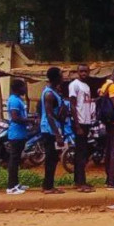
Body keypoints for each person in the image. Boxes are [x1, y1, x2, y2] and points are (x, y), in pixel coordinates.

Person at [39, 67, 68, 195]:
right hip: (49, 130)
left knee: (53, 158)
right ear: (56, 77)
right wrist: (57, 135)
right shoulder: (49, 94)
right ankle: (48, 186)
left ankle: (48, 184)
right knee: (51, 158)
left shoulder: (54, 92)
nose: (63, 77)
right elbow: (49, 115)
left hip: (54, 128)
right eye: (61, 75)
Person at [68, 64, 96, 193]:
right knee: (80, 154)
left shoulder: (87, 86)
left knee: (83, 153)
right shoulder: (74, 85)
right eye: (81, 71)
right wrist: (77, 124)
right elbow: (72, 106)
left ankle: (79, 181)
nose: (84, 73)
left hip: (86, 122)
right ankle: (80, 183)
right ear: (77, 72)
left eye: (86, 71)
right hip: (79, 123)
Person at [4, 78, 30, 195]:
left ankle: (16, 184)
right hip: (15, 134)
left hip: (20, 134)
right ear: (18, 88)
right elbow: (15, 117)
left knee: (17, 159)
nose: (25, 89)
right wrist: (28, 121)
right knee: (14, 160)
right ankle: (11, 187)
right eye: (23, 86)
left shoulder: (18, 99)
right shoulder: (14, 100)